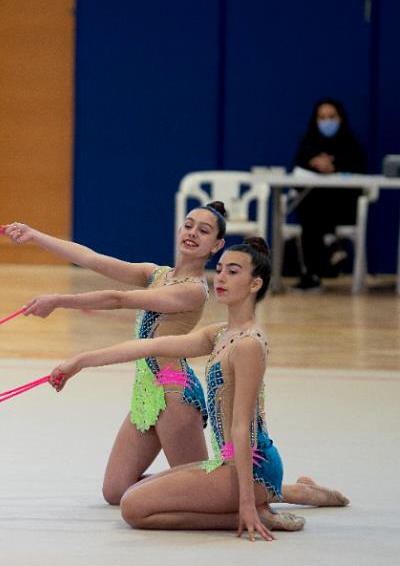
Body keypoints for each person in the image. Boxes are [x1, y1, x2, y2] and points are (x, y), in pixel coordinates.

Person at [49, 238, 348, 541]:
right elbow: (149, 345)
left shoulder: (248, 344)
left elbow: (242, 427)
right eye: (219, 270)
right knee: (129, 494)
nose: (220, 278)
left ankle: (255, 511)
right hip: (226, 464)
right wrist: (80, 361)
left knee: (134, 508)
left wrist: (245, 503)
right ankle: (290, 495)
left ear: (255, 283)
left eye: (233, 272)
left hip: (253, 468)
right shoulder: (220, 333)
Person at [5, 202, 226, 505]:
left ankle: (282, 491)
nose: (192, 233)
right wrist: (35, 235)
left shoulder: (193, 290)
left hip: (175, 392)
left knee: (204, 491)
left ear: (217, 245)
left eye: (204, 231)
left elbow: (119, 299)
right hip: (147, 390)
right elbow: (92, 259)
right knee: (116, 491)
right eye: (189, 225)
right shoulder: (156, 274)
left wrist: (58, 300)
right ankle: (195, 482)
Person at [293, 97, 367, 290]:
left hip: (342, 206)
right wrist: (315, 164)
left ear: (340, 118)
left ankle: (313, 272)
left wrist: (334, 168)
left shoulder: (350, 143)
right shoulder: (308, 141)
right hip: (313, 207)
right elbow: (298, 169)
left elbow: (359, 170)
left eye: (331, 117)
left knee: (315, 207)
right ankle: (329, 242)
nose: (327, 122)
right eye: (322, 117)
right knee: (311, 204)